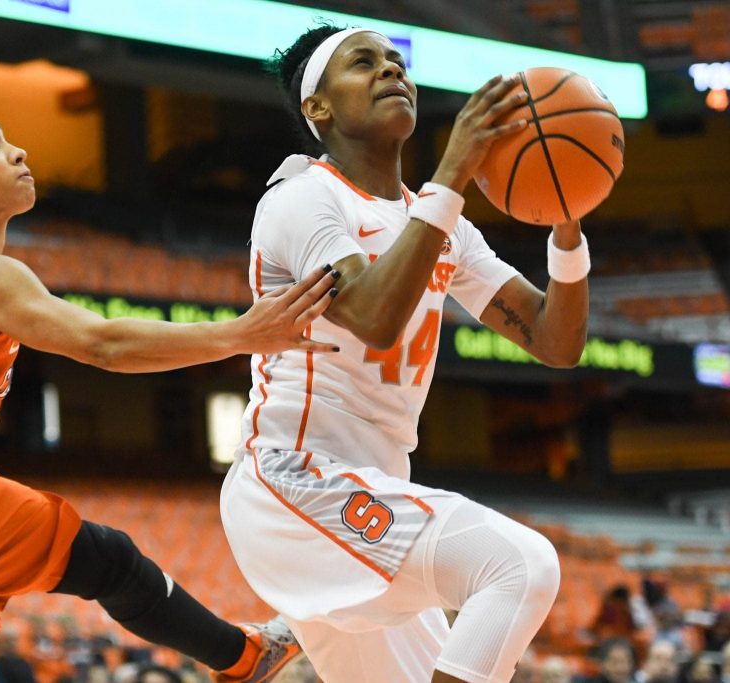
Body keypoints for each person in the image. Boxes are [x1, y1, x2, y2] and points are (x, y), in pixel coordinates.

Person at [0, 111, 339, 683]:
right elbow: (101, 343)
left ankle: (248, 660)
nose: (18, 151)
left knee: (105, 559)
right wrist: (239, 335)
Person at [219, 24, 595, 683]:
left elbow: (556, 341)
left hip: (368, 501)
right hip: (292, 482)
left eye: (396, 62)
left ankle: (288, 634)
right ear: (318, 109)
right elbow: (373, 316)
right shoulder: (300, 196)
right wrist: (452, 174)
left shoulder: (441, 222)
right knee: (518, 564)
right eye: (364, 64)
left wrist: (568, 218)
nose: (391, 71)